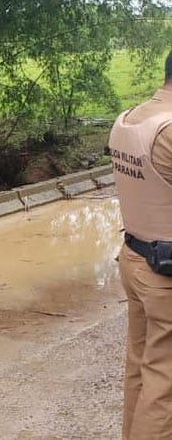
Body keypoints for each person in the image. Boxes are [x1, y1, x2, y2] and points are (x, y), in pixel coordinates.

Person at [109, 51, 172, 439]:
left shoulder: (130, 118)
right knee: (166, 382)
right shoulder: (169, 130)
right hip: (165, 275)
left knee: (140, 367)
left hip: (135, 259)